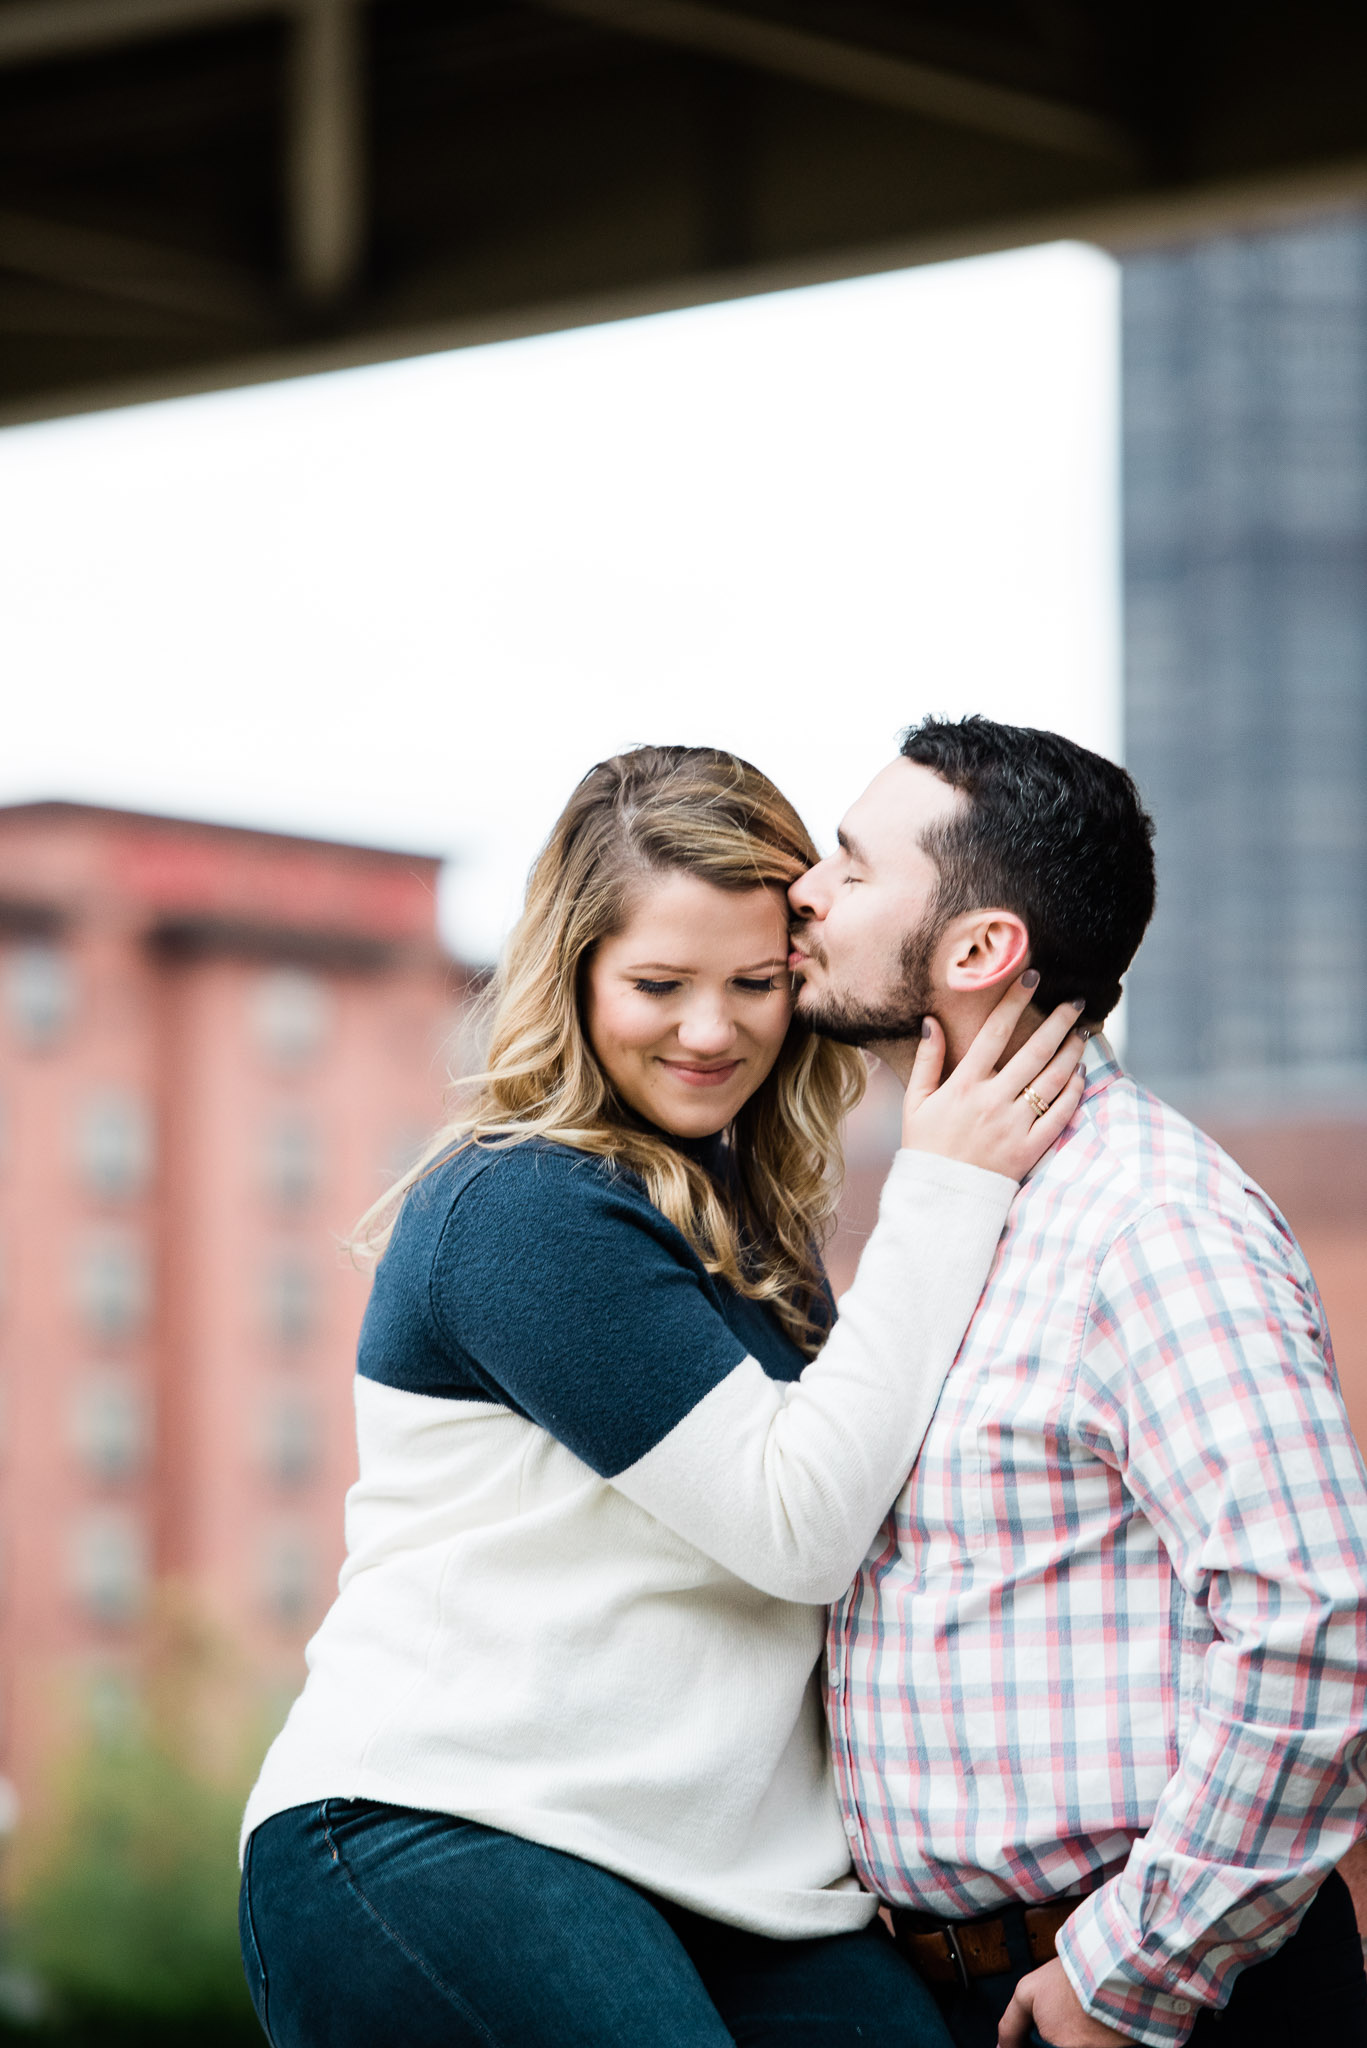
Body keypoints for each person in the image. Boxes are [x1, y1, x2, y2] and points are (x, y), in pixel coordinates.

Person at [237, 745, 1087, 2048]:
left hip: (745, 1889)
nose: (711, 1029)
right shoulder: (519, 1205)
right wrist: (948, 1186)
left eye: (754, 984)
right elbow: (798, 1527)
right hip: (445, 1828)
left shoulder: (750, 1226)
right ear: (572, 977)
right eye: (658, 984)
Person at [788, 714, 1367, 2048]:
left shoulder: (1147, 1224)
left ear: (982, 948)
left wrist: (1135, 1970)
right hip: (976, 1993)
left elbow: (1321, 1618)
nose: (805, 895)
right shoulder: (964, 1212)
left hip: (1158, 2003)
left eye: (852, 867)